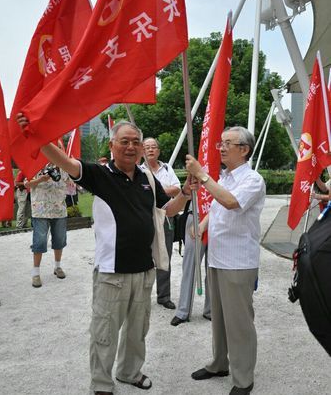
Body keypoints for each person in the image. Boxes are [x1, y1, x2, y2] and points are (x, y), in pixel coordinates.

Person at [17, 115, 197, 395]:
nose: (131, 147)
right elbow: (66, 162)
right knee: (105, 333)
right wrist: (36, 135)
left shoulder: (147, 178)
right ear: (112, 145)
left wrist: (185, 193)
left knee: (137, 332)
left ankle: (129, 371)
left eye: (136, 142)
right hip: (111, 273)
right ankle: (101, 384)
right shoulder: (100, 175)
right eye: (124, 141)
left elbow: (168, 210)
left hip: (144, 269)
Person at [186, 126, 266, 395]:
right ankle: (219, 362)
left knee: (239, 322)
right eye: (220, 143)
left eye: (227, 144)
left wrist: (202, 174)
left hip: (238, 261)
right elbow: (219, 206)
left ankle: (243, 378)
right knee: (219, 318)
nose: (220, 147)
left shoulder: (252, 180)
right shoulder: (227, 178)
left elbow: (231, 202)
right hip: (217, 259)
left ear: (243, 150)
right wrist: (203, 224)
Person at [141, 137, 180, 310]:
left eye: (153, 147)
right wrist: (163, 189)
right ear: (142, 151)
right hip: (144, 219)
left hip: (165, 216)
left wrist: (153, 188)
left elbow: (177, 189)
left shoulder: (167, 168)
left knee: (165, 257)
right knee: (143, 258)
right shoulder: (138, 170)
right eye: (147, 147)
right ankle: (141, 297)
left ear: (158, 150)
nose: (150, 150)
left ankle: (164, 296)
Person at [24, 141, 69, 288]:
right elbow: (26, 184)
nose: (57, 151)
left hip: (59, 209)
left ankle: (57, 267)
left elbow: (72, 181)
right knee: (39, 241)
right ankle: (35, 273)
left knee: (59, 240)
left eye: (59, 149)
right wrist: (40, 179)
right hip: (41, 209)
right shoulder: (36, 165)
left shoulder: (65, 166)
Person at [170, 208, 211, 325]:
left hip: (218, 217)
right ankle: (183, 311)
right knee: (189, 267)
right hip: (196, 215)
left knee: (214, 269)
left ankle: (211, 310)